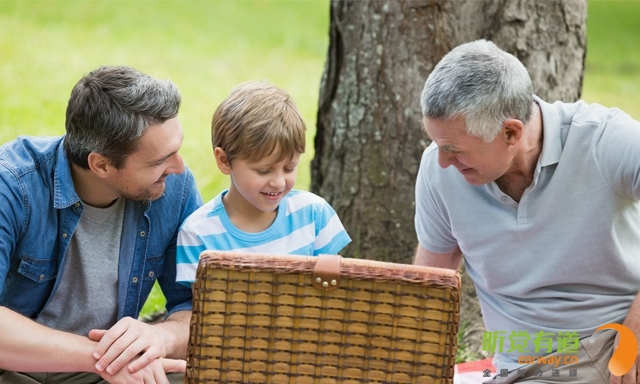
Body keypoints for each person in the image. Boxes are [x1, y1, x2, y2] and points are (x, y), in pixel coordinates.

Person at [414, 39, 640, 384]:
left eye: (453, 149)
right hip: (522, 366)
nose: (442, 161)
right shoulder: (438, 169)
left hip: (616, 344)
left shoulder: (605, 140)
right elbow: (429, 288)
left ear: (510, 132)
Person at [0, 66, 203, 384]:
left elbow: (202, 307)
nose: (178, 167)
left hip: (114, 373)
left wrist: (161, 337)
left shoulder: (174, 189)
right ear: (101, 164)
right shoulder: (13, 184)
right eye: (159, 160)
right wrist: (106, 359)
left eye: (176, 151)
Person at [176, 81, 351, 285]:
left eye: (289, 168)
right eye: (264, 170)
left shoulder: (314, 215)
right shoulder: (198, 234)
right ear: (224, 161)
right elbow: (204, 311)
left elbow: (333, 293)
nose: (278, 182)